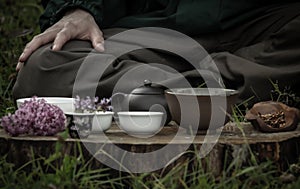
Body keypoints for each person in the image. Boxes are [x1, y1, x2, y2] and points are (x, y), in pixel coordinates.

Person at [13, 0, 300, 107]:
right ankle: (205, 94)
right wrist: (80, 7)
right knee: (45, 64)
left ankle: (158, 97)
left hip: (267, 26)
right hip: (163, 29)